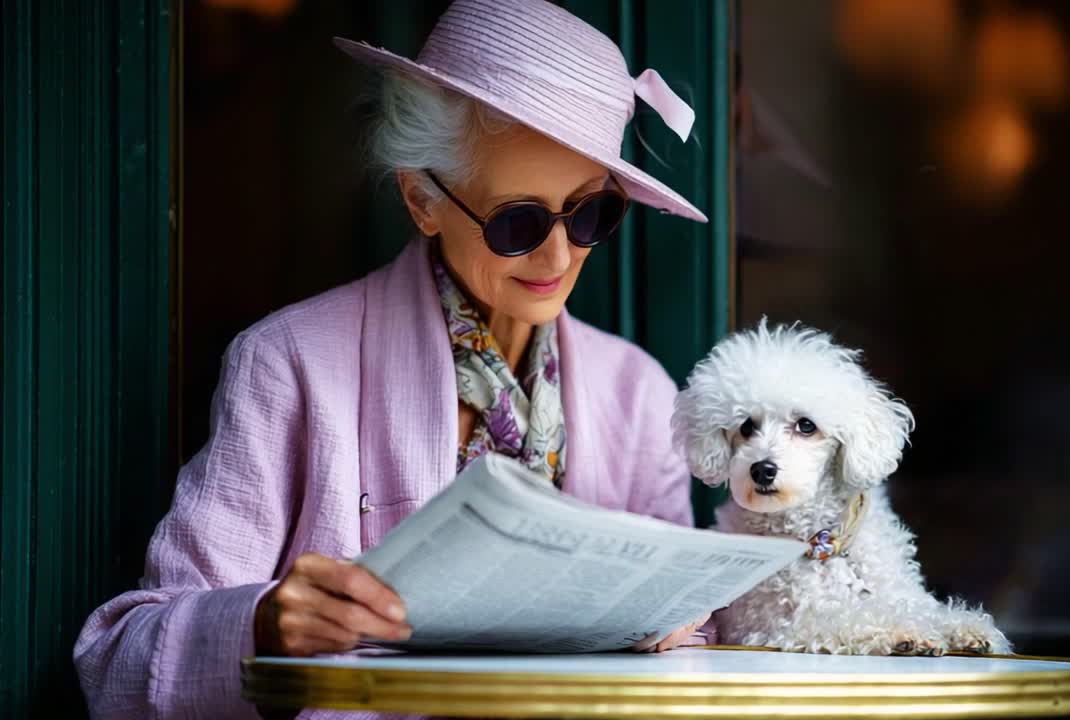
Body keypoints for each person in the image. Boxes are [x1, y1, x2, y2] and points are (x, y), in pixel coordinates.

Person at [74, 0, 712, 716]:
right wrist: (260, 624)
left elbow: (688, 660)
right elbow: (119, 664)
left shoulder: (639, 395)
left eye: (594, 212)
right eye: (517, 222)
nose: (560, 255)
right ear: (421, 199)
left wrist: (675, 633)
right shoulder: (290, 364)